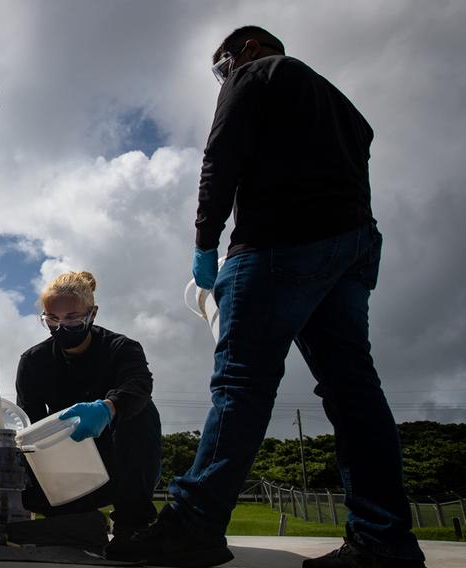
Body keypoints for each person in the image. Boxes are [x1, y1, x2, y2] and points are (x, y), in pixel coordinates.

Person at [108, 26, 425, 568]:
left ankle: (193, 526)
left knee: (241, 384)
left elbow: (221, 155)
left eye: (220, 66)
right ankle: (383, 539)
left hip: (279, 245)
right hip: (351, 247)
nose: (221, 77)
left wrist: (207, 242)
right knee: (354, 393)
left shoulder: (253, 74)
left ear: (248, 49)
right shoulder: (343, 107)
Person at [15, 271, 161, 551]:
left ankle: (132, 525)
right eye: (52, 319)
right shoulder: (34, 361)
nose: (61, 327)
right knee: (24, 445)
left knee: (141, 410)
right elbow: (29, 423)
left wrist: (108, 408)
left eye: (72, 318)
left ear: (92, 314)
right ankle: (72, 520)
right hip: (66, 465)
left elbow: (139, 384)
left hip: (119, 463)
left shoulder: (121, 348)